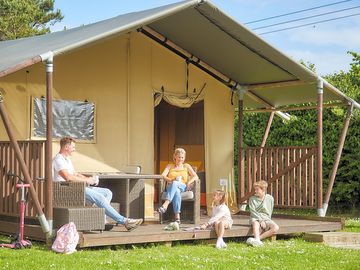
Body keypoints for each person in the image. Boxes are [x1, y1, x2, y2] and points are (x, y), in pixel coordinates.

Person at [52, 137, 143, 231]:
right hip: (68, 190)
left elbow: (75, 174)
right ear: (66, 147)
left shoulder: (67, 160)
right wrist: (87, 181)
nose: (74, 150)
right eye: (73, 147)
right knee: (100, 198)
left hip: (77, 187)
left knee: (107, 192)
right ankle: (125, 221)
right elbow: (68, 177)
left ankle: (102, 218)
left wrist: (90, 179)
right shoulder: (58, 160)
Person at [157, 148, 198, 225]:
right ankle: (177, 217)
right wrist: (171, 180)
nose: (181, 159)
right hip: (171, 186)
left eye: (182, 157)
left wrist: (189, 182)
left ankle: (165, 204)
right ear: (175, 157)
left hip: (183, 186)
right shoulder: (170, 166)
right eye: (179, 157)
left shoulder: (186, 166)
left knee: (176, 184)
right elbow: (162, 176)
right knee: (176, 191)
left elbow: (196, 176)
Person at [246, 180, 279, 247]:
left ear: (263, 189)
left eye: (257, 190)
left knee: (276, 227)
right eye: (255, 189)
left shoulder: (270, 198)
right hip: (255, 217)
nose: (255, 191)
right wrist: (261, 220)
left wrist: (266, 220)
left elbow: (270, 210)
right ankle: (257, 240)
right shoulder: (252, 199)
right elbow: (253, 212)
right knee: (255, 223)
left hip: (266, 218)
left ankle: (257, 239)